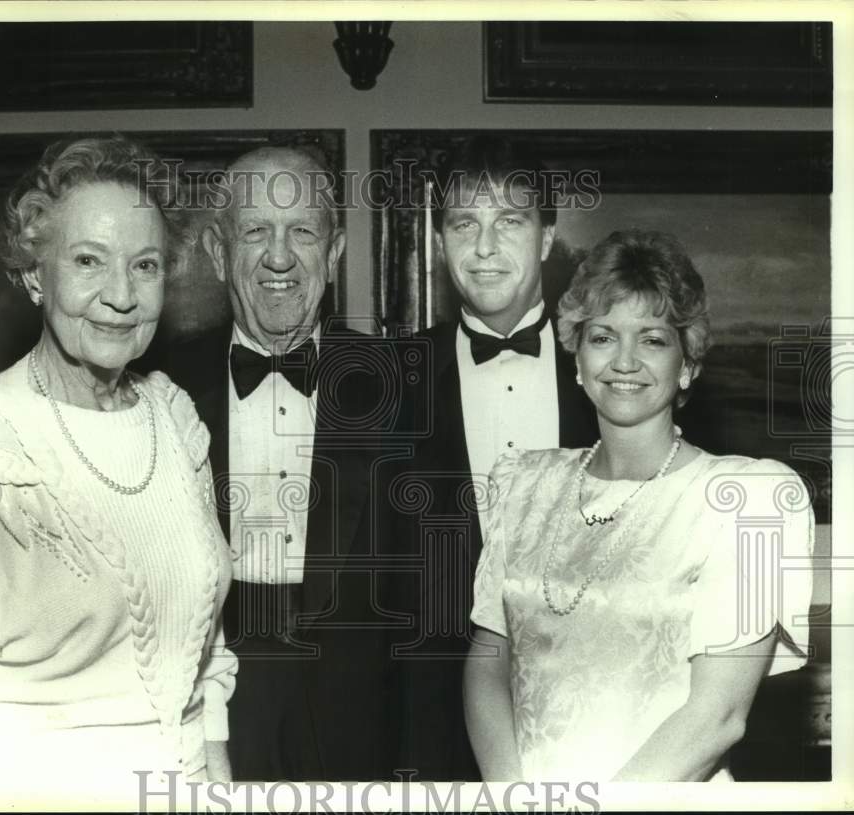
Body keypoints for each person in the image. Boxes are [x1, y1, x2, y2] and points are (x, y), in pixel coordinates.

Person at [0, 136, 236, 802]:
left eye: (146, 264)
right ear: (36, 274)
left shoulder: (175, 417)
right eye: (88, 261)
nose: (121, 295)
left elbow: (205, 664)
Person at [464, 229, 815, 781]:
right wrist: (515, 799)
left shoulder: (750, 503)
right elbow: (488, 659)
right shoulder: (521, 484)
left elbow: (718, 719)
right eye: (602, 336)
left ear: (688, 364)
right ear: (576, 357)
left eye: (652, 339)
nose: (624, 361)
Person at [159, 146, 397, 780]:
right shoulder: (159, 390)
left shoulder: (399, 384)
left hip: (361, 717)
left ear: (336, 251)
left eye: (303, 232)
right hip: (209, 700)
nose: (280, 257)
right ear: (217, 251)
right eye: (256, 231)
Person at [392, 137, 596, 781]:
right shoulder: (387, 380)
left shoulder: (609, 374)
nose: (484, 248)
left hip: (588, 709)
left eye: (509, 221)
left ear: (545, 238)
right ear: (439, 239)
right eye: (464, 224)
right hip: (427, 728)